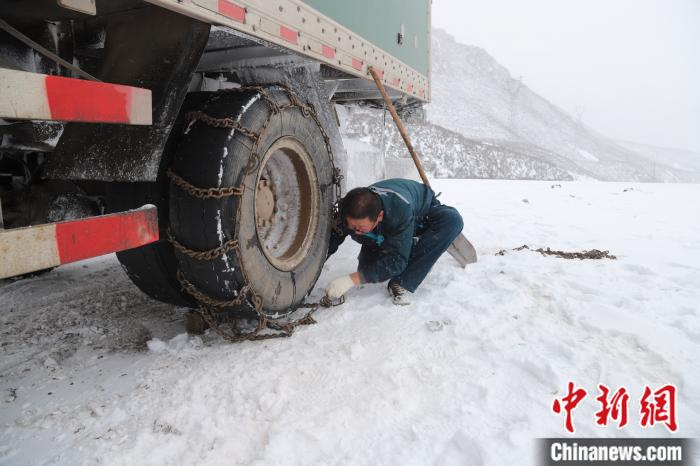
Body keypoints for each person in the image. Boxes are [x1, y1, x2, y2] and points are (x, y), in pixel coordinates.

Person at [325, 178, 464, 305]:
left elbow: (396, 262)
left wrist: (351, 279)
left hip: (420, 214)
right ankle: (402, 244)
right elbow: (327, 245)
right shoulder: (350, 212)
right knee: (367, 269)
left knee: (452, 220)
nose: (355, 231)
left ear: (380, 216)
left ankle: (403, 279)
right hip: (386, 226)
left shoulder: (400, 209)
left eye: (360, 227)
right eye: (352, 227)